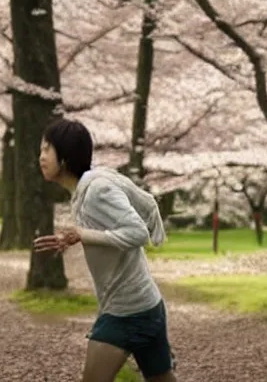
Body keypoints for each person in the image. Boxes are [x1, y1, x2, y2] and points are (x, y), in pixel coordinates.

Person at [33, 118, 177, 382]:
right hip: (146, 306)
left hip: (127, 312)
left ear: (64, 157)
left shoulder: (97, 191)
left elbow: (138, 233)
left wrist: (83, 235)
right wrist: (74, 238)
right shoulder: (83, 192)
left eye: (46, 150)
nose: (40, 157)